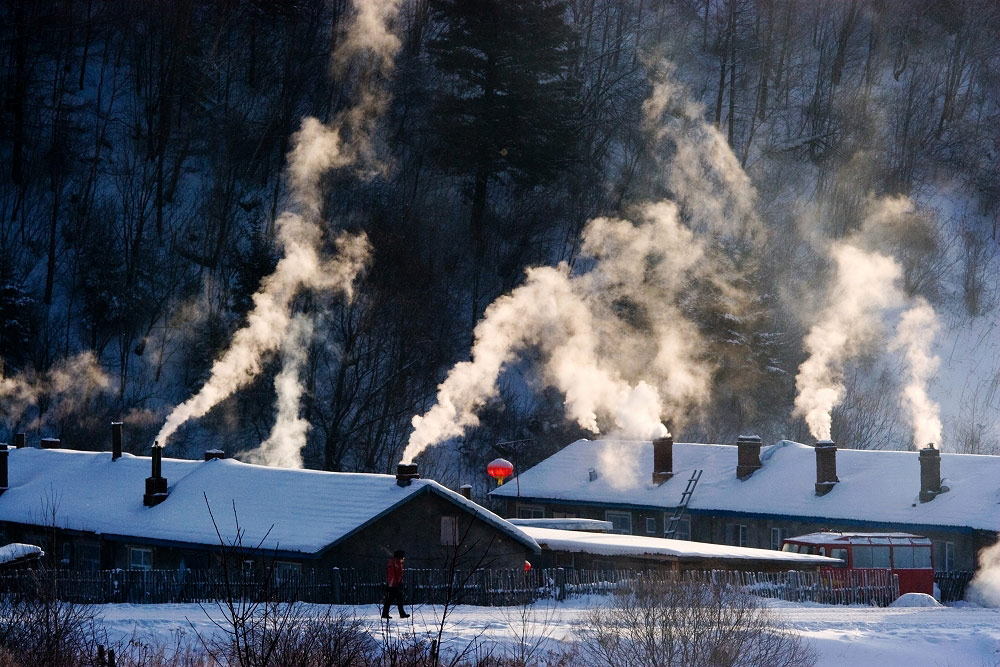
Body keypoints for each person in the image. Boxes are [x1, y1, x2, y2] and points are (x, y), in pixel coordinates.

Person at [381, 549, 409, 619]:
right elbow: (397, 574)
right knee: (397, 599)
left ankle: (385, 613)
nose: (404, 557)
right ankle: (401, 614)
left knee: (391, 599)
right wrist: (399, 582)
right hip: (395, 584)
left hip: (392, 584)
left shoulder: (393, 562)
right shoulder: (397, 563)